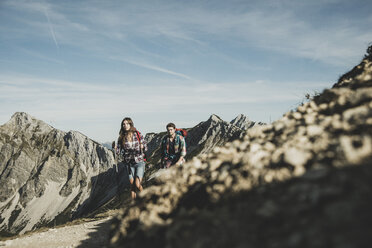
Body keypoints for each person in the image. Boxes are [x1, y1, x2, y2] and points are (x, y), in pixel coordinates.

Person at [116, 117, 147, 199]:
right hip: (129, 164)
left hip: (139, 162)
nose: (125, 125)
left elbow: (145, 147)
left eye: (127, 124)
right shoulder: (121, 137)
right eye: (123, 124)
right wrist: (116, 149)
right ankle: (133, 205)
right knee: (132, 185)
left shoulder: (137, 134)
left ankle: (146, 199)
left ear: (130, 124)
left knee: (137, 184)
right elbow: (118, 151)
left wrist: (143, 146)